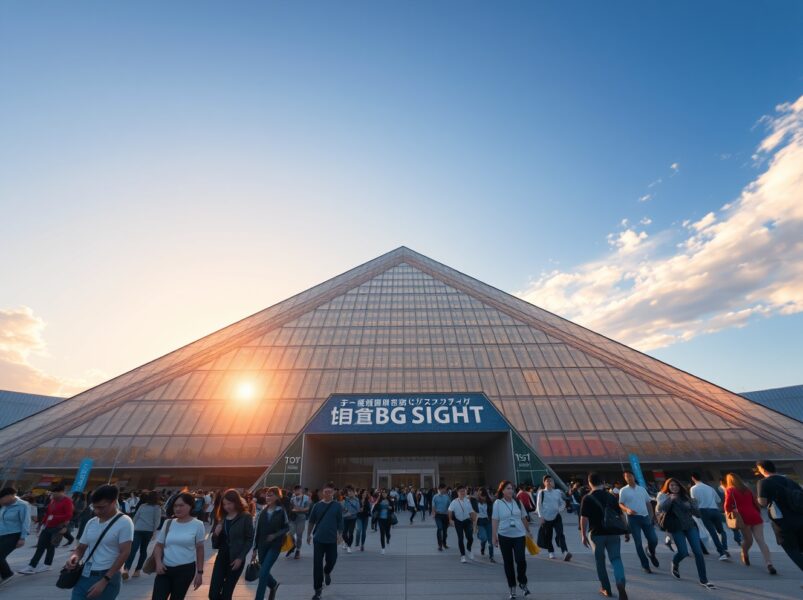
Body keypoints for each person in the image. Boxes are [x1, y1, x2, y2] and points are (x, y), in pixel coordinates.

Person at [64, 485, 134, 600]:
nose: (97, 511)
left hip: (107, 575)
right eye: (94, 507)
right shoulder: (91, 522)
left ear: (113, 502)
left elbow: (125, 553)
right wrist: (74, 557)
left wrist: (105, 580)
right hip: (85, 573)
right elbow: (81, 547)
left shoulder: (125, 522)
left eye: (101, 507)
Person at [656, 478, 715, 589]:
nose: (674, 487)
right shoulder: (665, 496)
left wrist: (693, 505)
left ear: (680, 486)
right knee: (683, 552)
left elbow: (697, 514)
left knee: (698, 552)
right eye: (671, 485)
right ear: (668, 487)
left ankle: (704, 580)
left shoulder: (686, 497)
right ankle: (675, 563)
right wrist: (670, 500)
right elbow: (660, 509)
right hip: (676, 527)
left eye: (676, 485)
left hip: (690, 526)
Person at [580, 473, 628, 599]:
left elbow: (584, 518)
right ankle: (620, 581)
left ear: (589, 483)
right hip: (613, 533)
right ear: (603, 482)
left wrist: (583, 535)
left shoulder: (587, 498)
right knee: (616, 559)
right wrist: (626, 530)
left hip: (596, 534)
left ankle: (606, 588)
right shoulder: (611, 496)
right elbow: (621, 515)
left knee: (600, 562)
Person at [151, 492, 205, 600]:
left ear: (190, 506)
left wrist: (199, 573)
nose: (177, 508)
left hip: (185, 571)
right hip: (164, 569)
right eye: (175, 506)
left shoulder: (198, 525)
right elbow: (158, 546)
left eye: (181, 505)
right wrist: (158, 563)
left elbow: (200, 550)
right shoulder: (168, 523)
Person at [756, 459, 803, 571]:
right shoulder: (790, 481)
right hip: (800, 519)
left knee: (792, 550)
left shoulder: (763, 482)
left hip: (783, 523)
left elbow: (762, 502)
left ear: (762, 469)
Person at [723, 472, 775, 574]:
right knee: (761, 541)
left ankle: (744, 553)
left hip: (743, 517)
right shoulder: (747, 489)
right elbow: (755, 503)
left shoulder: (730, 490)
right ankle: (769, 564)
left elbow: (727, 507)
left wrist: (733, 511)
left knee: (748, 540)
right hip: (755, 515)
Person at [19, 482, 74, 575]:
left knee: (50, 546)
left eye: (55, 492)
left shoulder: (67, 501)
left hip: (58, 527)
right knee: (41, 546)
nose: (53, 494)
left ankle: (44, 565)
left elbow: (68, 515)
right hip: (48, 526)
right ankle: (33, 566)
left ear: (62, 492)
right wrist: (42, 524)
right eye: (52, 493)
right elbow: (48, 512)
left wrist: (57, 520)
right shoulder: (53, 500)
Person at [210, 489, 254, 600]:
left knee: (226, 594)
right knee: (213, 594)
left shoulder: (245, 517)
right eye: (224, 504)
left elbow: (249, 539)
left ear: (236, 502)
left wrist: (240, 558)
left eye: (229, 503)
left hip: (236, 559)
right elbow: (215, 542)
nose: (226, 506)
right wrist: (215, 533)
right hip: (221, 557)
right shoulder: (222, 517)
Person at [492, 480, 531, 599]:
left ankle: (522, 582)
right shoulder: (498, 503)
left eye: (512, 488)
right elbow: (494, 520)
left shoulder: (518, 502)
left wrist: (528, 531)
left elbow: (523, 517)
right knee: (508, 563)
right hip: (504, 536)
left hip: (519, 535)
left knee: (521, 560)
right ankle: (512, 588)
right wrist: (494, 536)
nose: (510, 490)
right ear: (502, 490)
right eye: (508, 488)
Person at [307, 481, 344, 600]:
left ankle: (327, 571)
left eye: (330, 492)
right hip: (318, 540)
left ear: (333, 493)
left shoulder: (337, 506)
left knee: (332, 560)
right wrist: (308, 535)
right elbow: (311, 521)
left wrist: (340, 535)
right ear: (322, 493)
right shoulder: (317, 506)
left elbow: (340, 522)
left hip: (332, 540)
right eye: (326, 492)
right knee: (317, 565)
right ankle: (317, 590)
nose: (327, 494)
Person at [618, 470, 659, 573]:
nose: (629, 478)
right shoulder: (623, 490)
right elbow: (620, 503)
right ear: (625, 479)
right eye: (626, 477)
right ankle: (645, 565)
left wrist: (652, 516)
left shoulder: (642, 489)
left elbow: (648, 503)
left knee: (653, 539)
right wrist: (627, 509)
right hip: (633, 519)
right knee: (638, 543)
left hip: (645, 517)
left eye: (630, 476)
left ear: (633, 476)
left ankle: (651, 553)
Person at [252, 486, 290, 600]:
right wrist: (254, 549)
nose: (268, 497)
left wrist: (275, 535)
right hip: (262, 546)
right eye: (267, 495)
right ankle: (273, 585)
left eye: (271, 495)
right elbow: (256, 531)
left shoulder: (281, 511)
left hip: (275, 546)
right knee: (264, 571)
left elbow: (286, 527)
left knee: (263, 573)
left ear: (277, 497)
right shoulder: (261, 512)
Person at [690, 472, 730, 561]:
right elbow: (718, 500)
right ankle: (724, 547)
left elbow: (694, 502)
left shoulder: (693, 488)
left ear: (693, 478)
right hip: (715, 510)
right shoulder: (710, 488)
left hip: (703, 511)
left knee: (712, 532)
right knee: (721, 531)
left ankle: (721, 552)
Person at [122, 490, 161, 579]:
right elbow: (157, 521)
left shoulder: (143, 506)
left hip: (137, 529)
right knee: (143, 550)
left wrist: (132, 527)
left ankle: (126, 569)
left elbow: (136, 517)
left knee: (133, 549)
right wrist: (154, 532)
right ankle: (137, 570)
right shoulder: (157, 508)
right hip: (148, 531)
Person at [535, 475, 572, 561]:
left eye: (550, 480)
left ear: (553, 483)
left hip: (556, 517)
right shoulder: (542, 492)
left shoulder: (557, 492)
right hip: (546, 518)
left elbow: (563, 503)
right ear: (544, 483)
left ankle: (565, 552)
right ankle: (551, 552)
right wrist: (541, 517)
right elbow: (539, 505)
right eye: (547, 481)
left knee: (560, 534)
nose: (549, 482)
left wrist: (559, 509)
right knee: (548, 536)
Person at [0, 486, 30, 587]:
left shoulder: (23, 505)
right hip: (2, 534)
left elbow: (26, 522)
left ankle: (8, 574)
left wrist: (22, 538)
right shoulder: (5, 505)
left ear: (10, 496)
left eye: (2, 498)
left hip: (14, 535)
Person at [448, 484, 477, 563]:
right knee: (460, 538)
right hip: (458, 521)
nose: (463, 493)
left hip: (467, 521)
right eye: (461, 491)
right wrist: (450, 519)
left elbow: (471, 511)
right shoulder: (454, 502)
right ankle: (463, 556)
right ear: (457, 492)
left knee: (470, 538)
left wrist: (474, 521)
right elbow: (450, 511)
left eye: (464, 491)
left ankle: (469, 549)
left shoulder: (468, 501)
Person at [288, 485, 311, 559]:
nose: (297, 491)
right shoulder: (292, 499)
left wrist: (299, 510)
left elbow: (307, 509)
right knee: (290, 533)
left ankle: (298, 550)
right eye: (296, 490)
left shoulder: (306, 498)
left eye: (298, 490)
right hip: (293, 518)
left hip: (301, 518)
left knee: (299, 535)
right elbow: (290, 509)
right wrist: (295, 510)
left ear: (301, 490)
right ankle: (293, 544)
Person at [475, 487, 495, 563]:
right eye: (481, 495)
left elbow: (493, 512)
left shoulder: (489, 502)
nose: (483, 497)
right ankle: (482, 546)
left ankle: (491, 556)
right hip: (480, 521)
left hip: (488, 521)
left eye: (484, 496)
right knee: (484, 537)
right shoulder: (475, 502)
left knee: (490, 539)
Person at [371, 489, 393, 554]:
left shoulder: (390, 501)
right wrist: (379, 507)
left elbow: (393, 509)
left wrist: (390, 508)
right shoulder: (379, 501)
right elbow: (374, 509)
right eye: (383, 493)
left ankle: (388, 538)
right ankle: (383, 548)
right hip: (380, 519)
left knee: (387, 533)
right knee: (382, 533)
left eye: (385, 493)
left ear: (387, 494)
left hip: (388, 519)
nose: (384, 494)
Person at [431, 483, 451, 551]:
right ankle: (440, 545)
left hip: (445, 516)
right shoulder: (435, 497)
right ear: (440, 489)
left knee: (445, 531)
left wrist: (450, 517)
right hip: (438, 515)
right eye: (444, 489)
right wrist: (434, 513)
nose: (445, 490)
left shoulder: (447, 497)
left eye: (445, 489)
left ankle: (444, 543)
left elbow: (450, 507)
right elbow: (433, 506)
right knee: (440, 528)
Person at [341, 486, 359, 554]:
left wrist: (351, 513)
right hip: (345, 518)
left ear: (354, 492)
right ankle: (346, 542)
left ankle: (349, 546)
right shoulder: (345, 500)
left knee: (351, 532)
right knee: (344, 533)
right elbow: (342, 509)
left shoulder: (356, 500)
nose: (350, 493)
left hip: (353, 518)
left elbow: (357, 509)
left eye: (351, 491)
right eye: (349, 491)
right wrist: (345, 510)